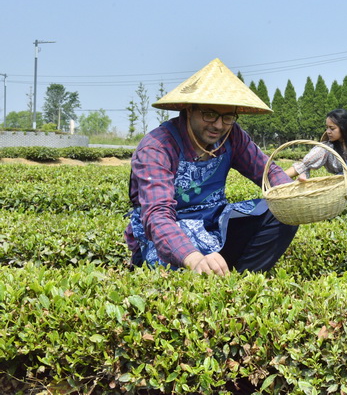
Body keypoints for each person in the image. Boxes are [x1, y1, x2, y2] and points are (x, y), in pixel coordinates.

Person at [124, 58, 298, 276]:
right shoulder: (157, 146)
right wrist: (194, 259)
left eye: (227, 117)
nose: (218, 125)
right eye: (209, 114)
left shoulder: (232, 136)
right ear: (189, 110)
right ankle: (202, 270)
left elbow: (267, 171)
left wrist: (293, 193)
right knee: (179, 259)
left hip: (214, 224)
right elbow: (157, 216)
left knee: (281, 212)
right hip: (171, 231)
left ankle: (243, 280)